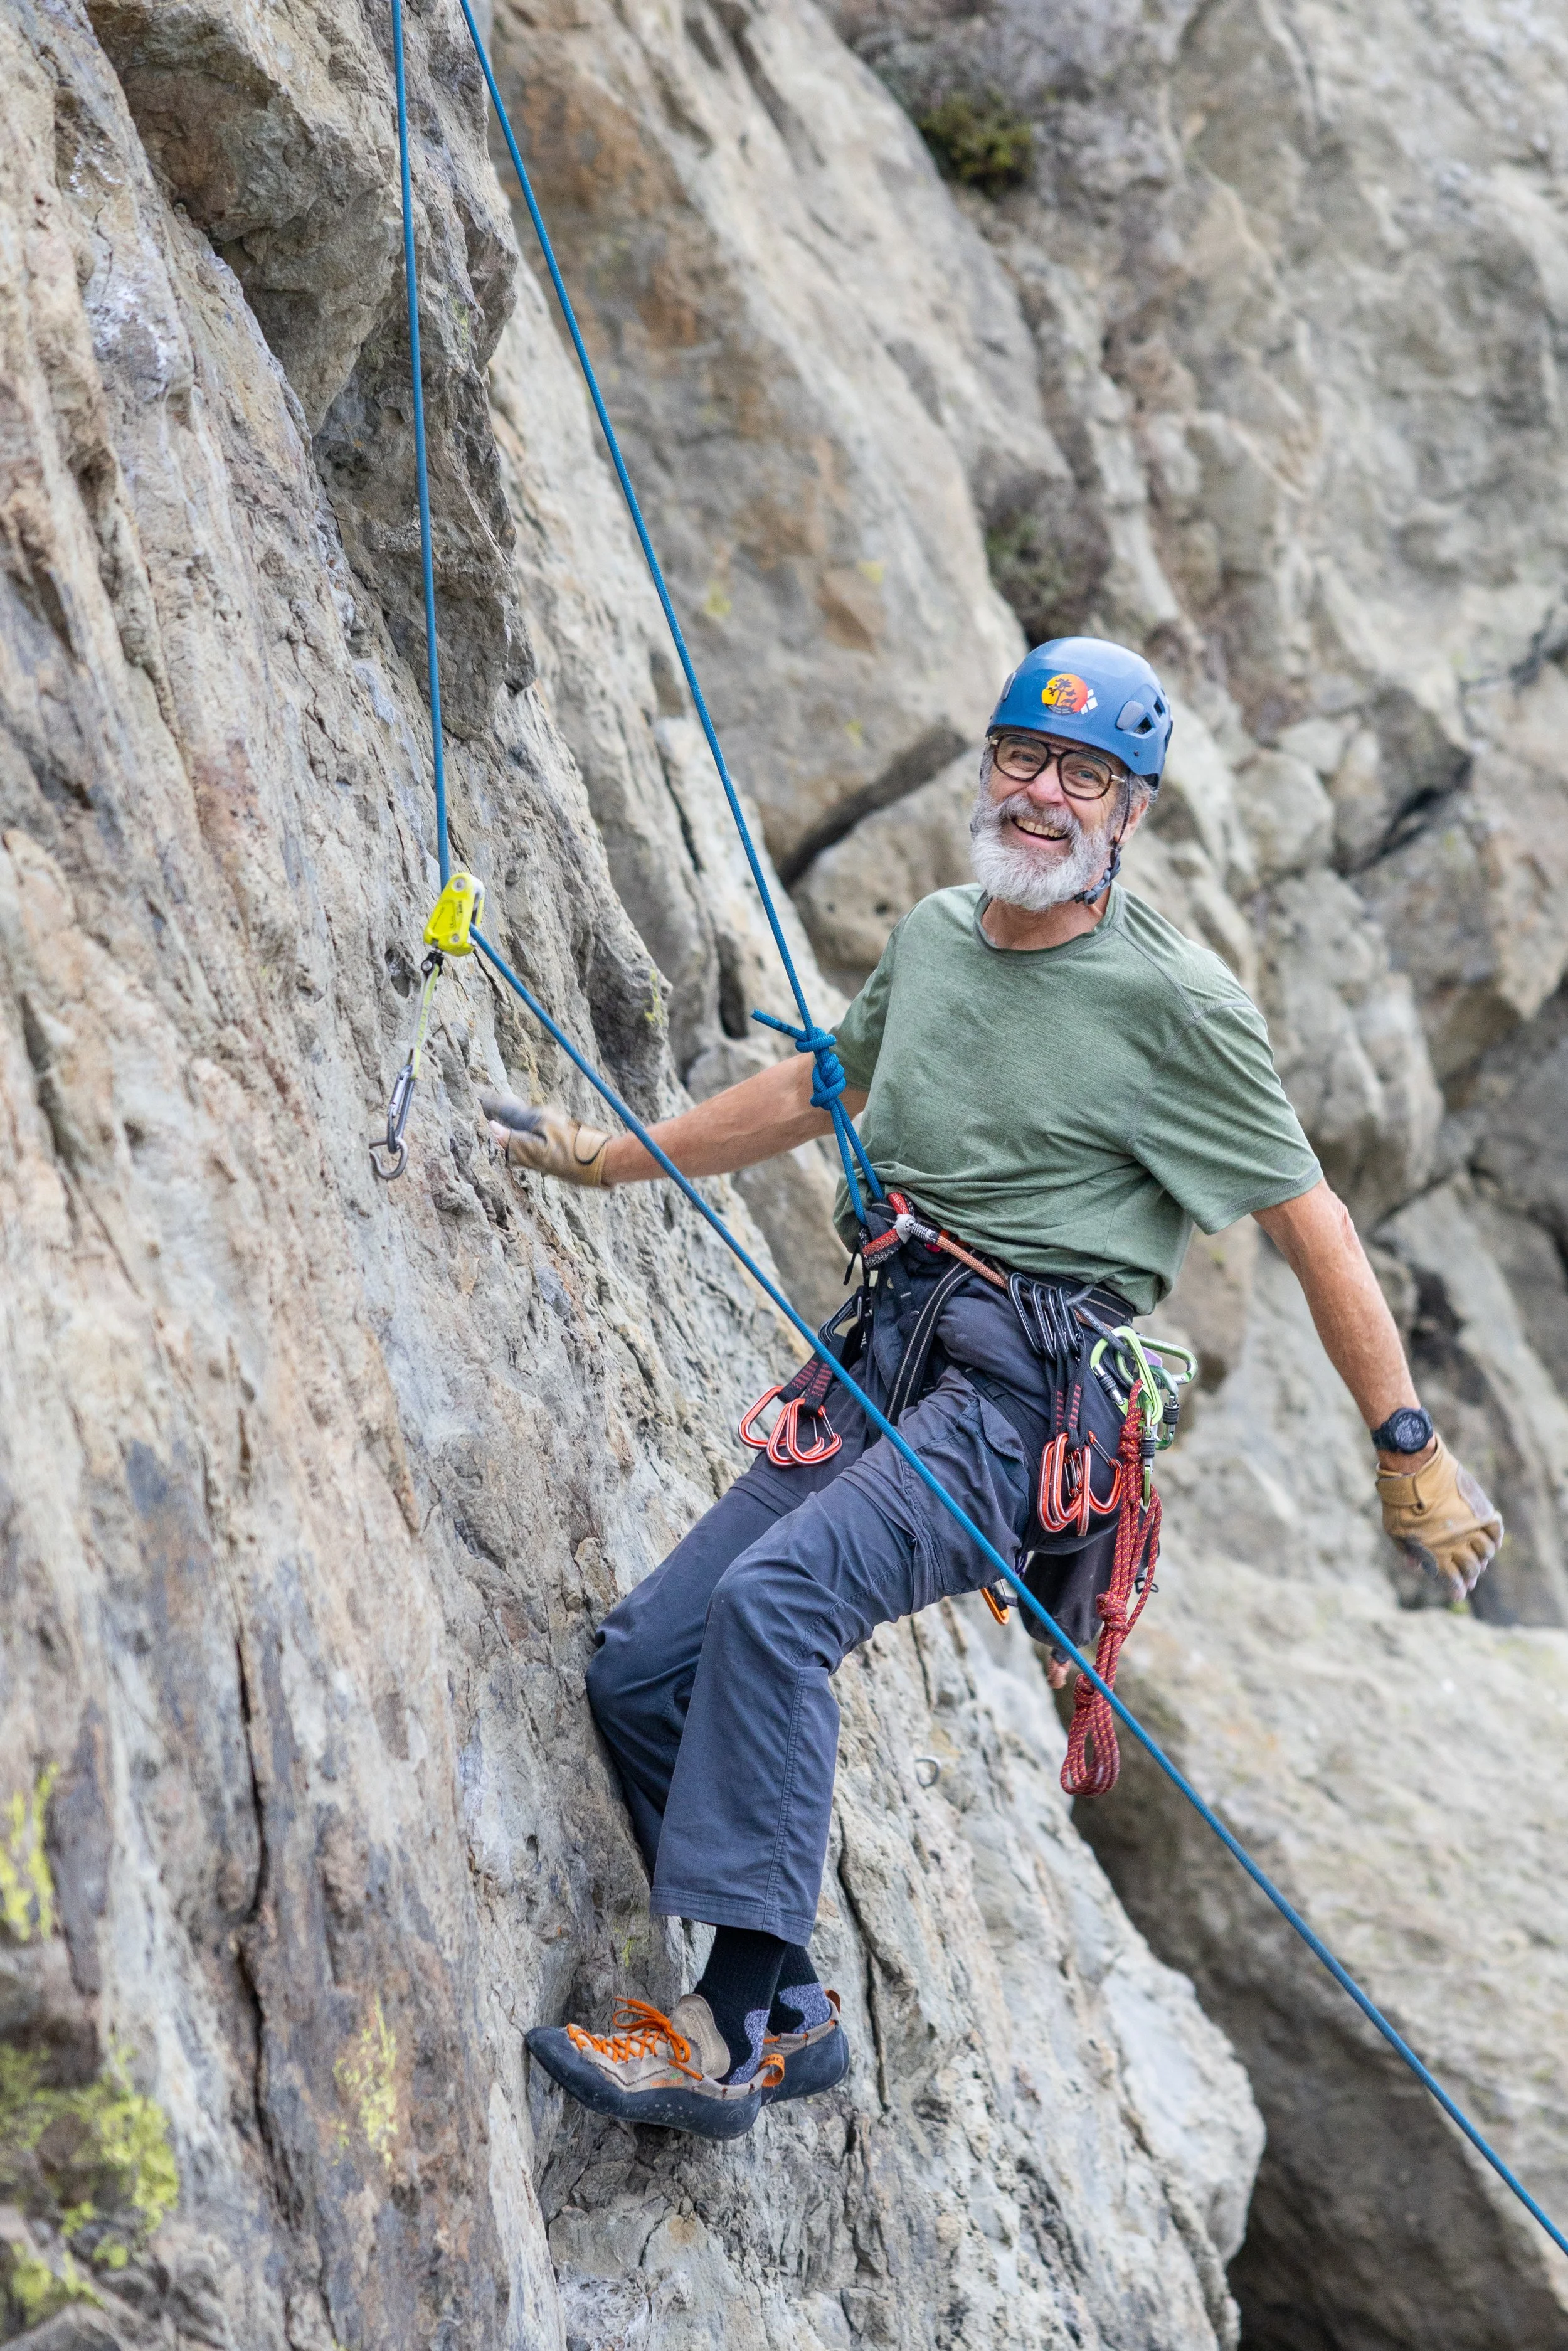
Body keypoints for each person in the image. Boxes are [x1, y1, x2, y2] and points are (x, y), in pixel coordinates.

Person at [485, 636, 1503, 2141]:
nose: (1041, 792)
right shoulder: (940, 936)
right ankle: (794, 2005)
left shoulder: (1176, 1005)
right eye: (1023, 758)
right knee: (642, 1661)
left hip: (1026, 1407)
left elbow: (1310, 1221)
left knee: (777, 1609)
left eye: (1083, 775)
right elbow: (815, 1088)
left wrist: (1404, 1443)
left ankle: (723, 2033)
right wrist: (609, 1155)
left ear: (1130, 812)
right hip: (887, 1350)